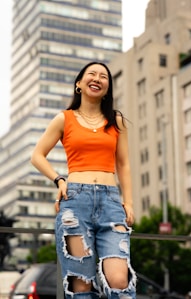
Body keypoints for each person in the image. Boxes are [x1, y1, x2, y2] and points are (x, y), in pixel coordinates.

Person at [31, 61, 136, 299]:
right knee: (81, 286)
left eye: (103, 76)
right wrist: (58, 179)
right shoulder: (64, 119)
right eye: (92, 74)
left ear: (108, 88)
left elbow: (123, 164)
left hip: (111, 203)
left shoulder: (116, 120)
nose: (97, 78)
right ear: (79, 83)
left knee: (119, 281)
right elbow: (37, 156)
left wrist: (128, 202)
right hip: (75, 202)